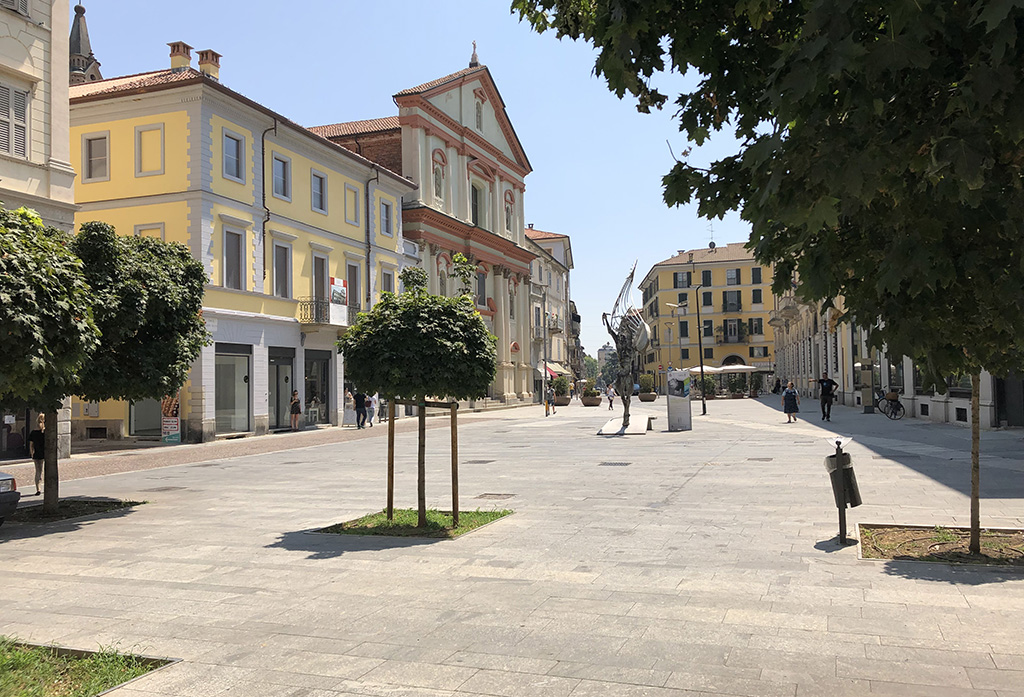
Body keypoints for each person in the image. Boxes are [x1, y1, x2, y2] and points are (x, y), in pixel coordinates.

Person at [27, 414, 44, 496]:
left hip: (36, 453)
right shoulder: (45, 432)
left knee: (38, 471)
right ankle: (43, 486)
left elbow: (31, 444)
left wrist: (31, 453)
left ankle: (38, 488)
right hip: (44, 453)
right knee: (42, 470)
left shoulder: (33, 432)